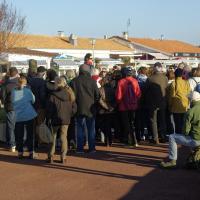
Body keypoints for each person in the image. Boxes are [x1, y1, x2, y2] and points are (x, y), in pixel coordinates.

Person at [160, 91, 200, 168]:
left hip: (196, 140)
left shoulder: (190, 112)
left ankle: (172, 161)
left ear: (191, 100)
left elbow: (185, 131)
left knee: (172, 137)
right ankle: (196, 153)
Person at [46, 77, 76, 164]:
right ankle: (63, 157)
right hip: (66, 118)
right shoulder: (70, 93)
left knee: (53, 137)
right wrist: (70, 115)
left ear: (56, 84)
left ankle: (50, 156)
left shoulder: (52, 95)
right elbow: (74, 107)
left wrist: (49, 117)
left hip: (55, 118)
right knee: (63, 137)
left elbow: (49, 109)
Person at [71, 64, 99, 153]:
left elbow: (71, 96)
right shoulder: (92, 81)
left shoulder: (74, 81)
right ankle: (92, 148)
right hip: (90, 108)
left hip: (78, 107)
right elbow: (97, 95)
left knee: (79, 128)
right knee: (91, 129)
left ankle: (80, 148)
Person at [12, 76, 37, 159]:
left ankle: (20, 152)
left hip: (18, 116)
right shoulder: (27, 91)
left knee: (19, 135)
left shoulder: (13, 92)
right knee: (30, 134)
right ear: (25, 83)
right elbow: (33, 100)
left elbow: (12, 102)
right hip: (29, 115)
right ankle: (31, 152)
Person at [115, 66, 141, 146]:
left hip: (123, 106)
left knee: (126, 124)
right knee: (132, 123)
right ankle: (135, 139)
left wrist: (118, 102)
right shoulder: (135, 81)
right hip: (133, 106)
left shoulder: (121, 82)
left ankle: (129, 140)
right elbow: (139, 94)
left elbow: (118, 96)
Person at [143, 62, 168, 144]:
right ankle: (163, 137)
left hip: (152, 103)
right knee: (162, 120)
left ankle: (155, 138)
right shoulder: (165, 78)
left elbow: (145, 90)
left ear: (154, 69)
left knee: (153, 121)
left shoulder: (150, 79)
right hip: (162, 102)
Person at [0, 67, 19, 152]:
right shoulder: (22, 82)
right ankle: (19, 143)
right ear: (17, 73)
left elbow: (3, 97)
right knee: (19, 126)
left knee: (11, 126)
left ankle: (12, 145)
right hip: (20, 107)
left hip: (10, 107)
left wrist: (5, 103)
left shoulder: (6, 84)